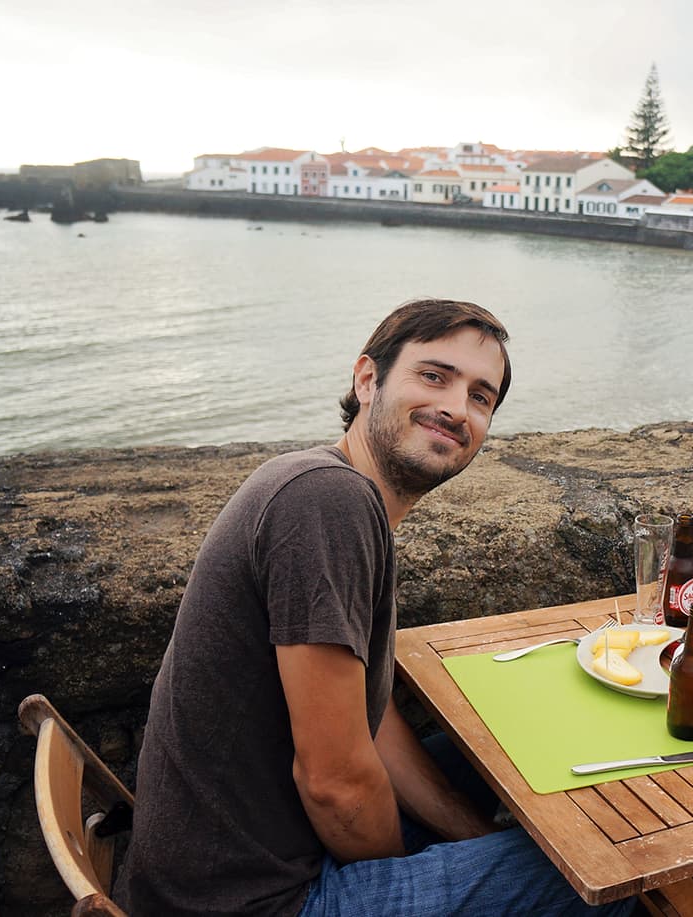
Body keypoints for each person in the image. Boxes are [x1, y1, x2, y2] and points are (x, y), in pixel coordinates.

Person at [116, 299, 633, 917]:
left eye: (480, 397)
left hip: (239, 858)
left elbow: (367, 717)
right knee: (614, 870)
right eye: (434, 376)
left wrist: (468, 836)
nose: (455, 408)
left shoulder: (335, 492)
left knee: (522, 753)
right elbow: (336, 785)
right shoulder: (326, 501)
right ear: (368, 379)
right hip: (251, 898)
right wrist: (411, 869)